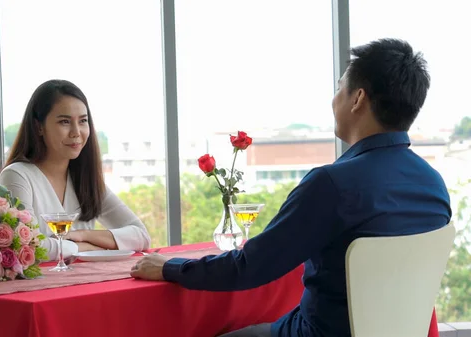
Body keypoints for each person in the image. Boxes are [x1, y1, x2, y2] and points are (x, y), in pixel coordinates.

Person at [130, 38, 452, 337]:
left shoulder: (331, 185)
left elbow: (249, 268)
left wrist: (171, 268)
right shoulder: (433, 186)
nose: (334, 98)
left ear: (358, 99)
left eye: (339, 87)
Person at [0, 79, 151, 261]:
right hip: (41, 288)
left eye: (83, 121)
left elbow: (141, 236)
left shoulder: (85, 179)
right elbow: (29, 246)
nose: (76, 132)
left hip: (88, 284)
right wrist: (84, 248)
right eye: (64, 122)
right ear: (39, 127)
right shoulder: (17, 175)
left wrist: (82, 236)